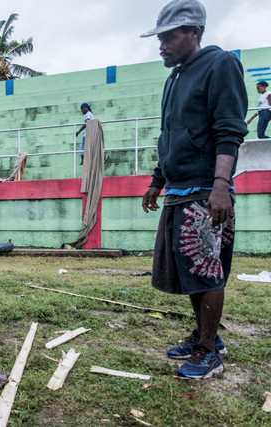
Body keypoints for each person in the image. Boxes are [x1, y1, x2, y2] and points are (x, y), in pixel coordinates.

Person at [140, 0, 248, 379]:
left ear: (194, 33)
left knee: (206, 270)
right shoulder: (176, 76)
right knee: (189, 271)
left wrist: (221, 185)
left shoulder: (220, 65)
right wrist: (157, 179)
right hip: (179, 190)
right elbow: (168, 135)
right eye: (160, 38)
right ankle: (208, 338)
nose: (161, 45)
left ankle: (208, 351)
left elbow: (229, 129)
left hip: (206, 190)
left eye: (169, 37)